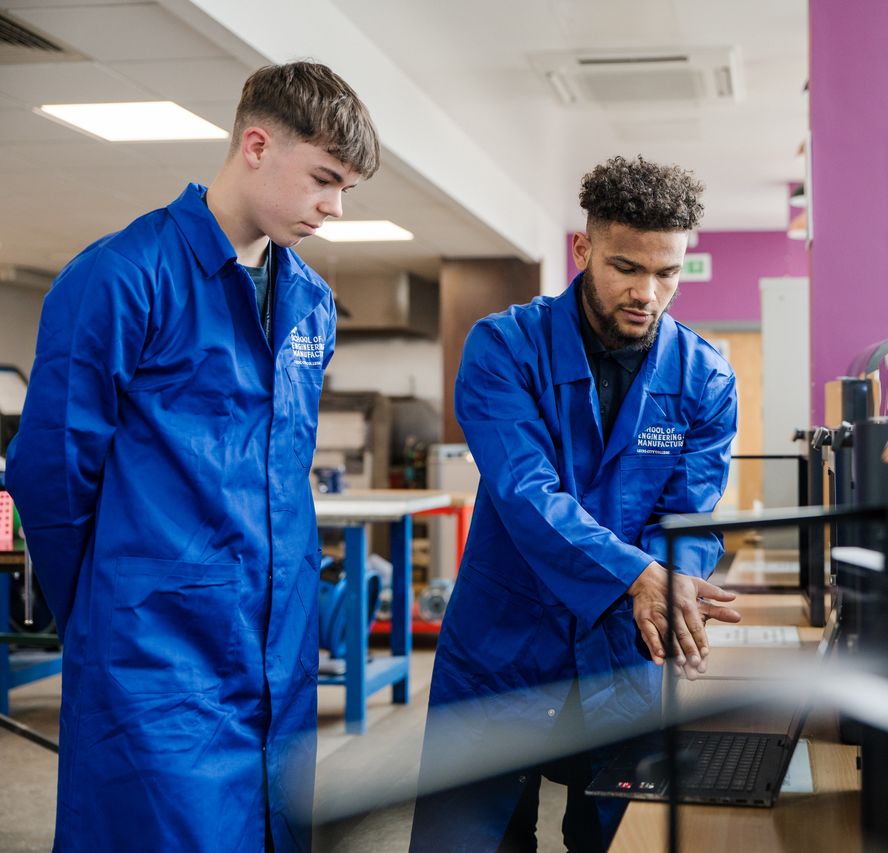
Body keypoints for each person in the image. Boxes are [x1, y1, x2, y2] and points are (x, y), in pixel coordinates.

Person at [5, 61, 379, 851]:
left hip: (276, 646)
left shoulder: (309, 301)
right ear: (254, 145)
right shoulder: (121, 276)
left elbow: (283, 466)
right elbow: (49, 469)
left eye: (345, 187)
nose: (334, 207)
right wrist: (111, 611)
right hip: (156, 653)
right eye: (322, 178)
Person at [410, 156, 741, 852]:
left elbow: (691, 515)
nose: (648, 292)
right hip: (503, 649)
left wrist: (669, 580)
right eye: (627, 267)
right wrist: (637, 576)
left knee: (622, 840)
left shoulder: (705, 376)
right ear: (584, 250)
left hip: (624, 650)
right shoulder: (504, 348)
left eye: (668, 273)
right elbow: (528, 494)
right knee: (472, 841)